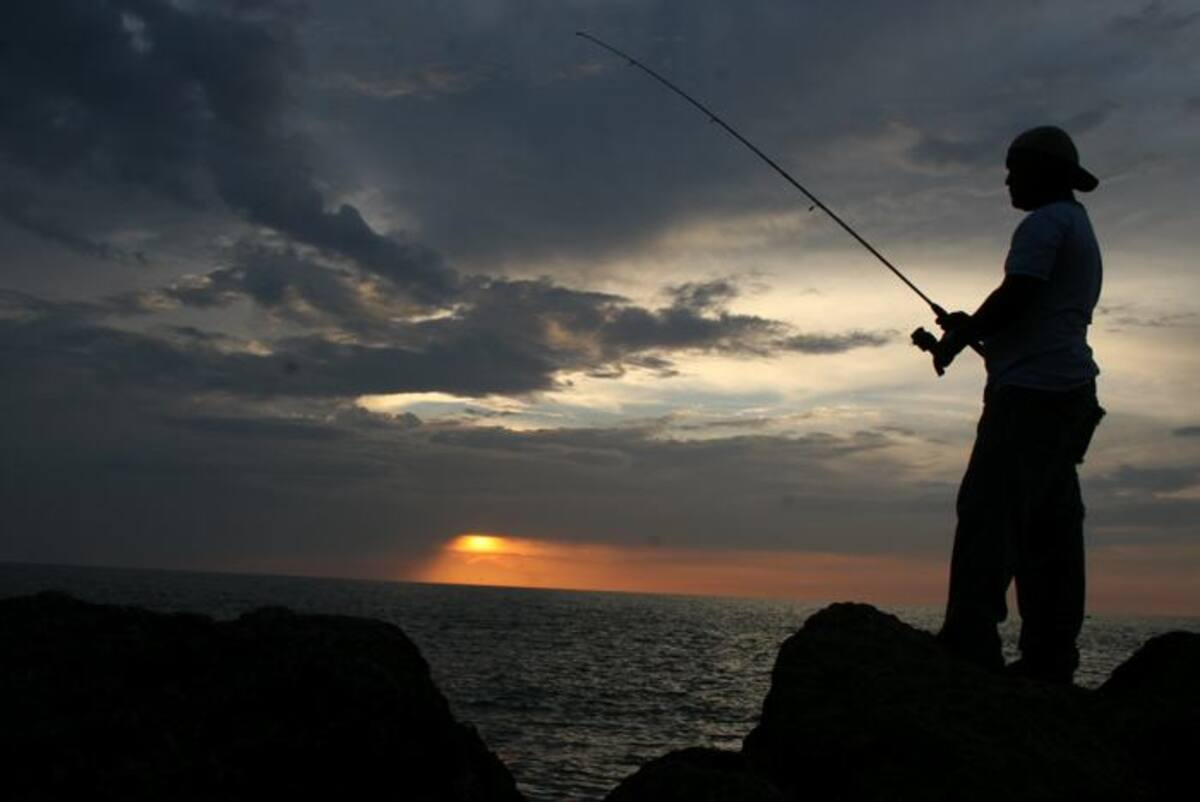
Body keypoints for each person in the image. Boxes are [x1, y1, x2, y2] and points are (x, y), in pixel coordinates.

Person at [929, 125, 1106, 684]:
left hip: (1032, 398)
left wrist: (963, 335)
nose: (1007, 177)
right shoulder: (1077, 225)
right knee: (1049, 527)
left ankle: (969, 645)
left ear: (1045, 172)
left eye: (1015, 167)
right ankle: (1051, 658)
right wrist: (972, 330)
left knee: (988, 515)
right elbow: (1031, 312)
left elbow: (1019, 295)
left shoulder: (1044, 223)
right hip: (1069, 394)